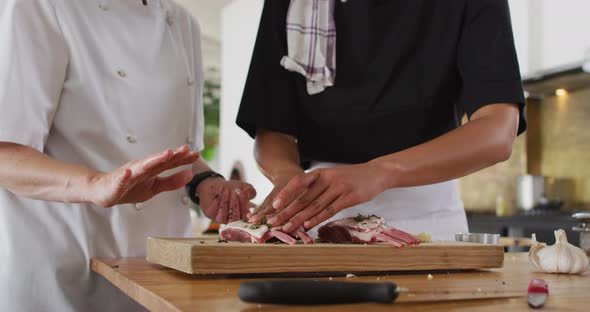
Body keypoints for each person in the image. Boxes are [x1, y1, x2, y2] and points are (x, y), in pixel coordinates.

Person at [0, 0, 254, 310]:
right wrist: (94, 184)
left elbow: (181, 150)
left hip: (161, 273)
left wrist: (203, 181)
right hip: (62, 268)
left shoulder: (184, 23)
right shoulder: (39, 7)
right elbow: (6, 154)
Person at [237, 0, 526, 239]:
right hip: (314, 219)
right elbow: (272, 127)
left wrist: (382, 172)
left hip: (428, 219)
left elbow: (498, 131)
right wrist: (287, 178)